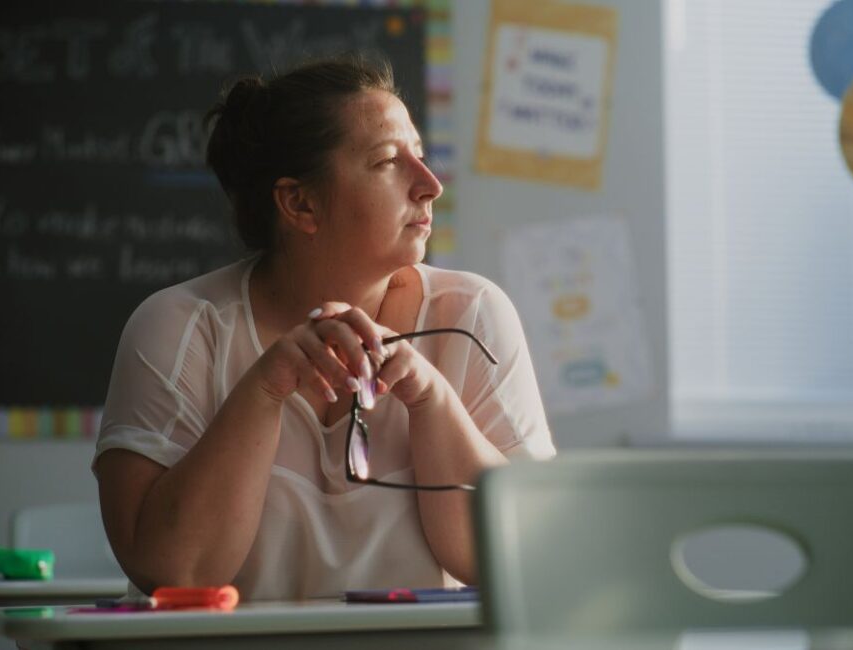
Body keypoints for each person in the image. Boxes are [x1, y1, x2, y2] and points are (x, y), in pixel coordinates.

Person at [92, 55, 555, 601]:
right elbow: (175, 571)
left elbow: (523, 555)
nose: (429, 185)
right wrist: (265, 389)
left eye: (422, 157)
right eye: (387, 162)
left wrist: (432, 400)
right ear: (299, 202)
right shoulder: (177, 328)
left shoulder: (474, 314)